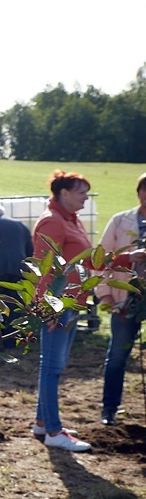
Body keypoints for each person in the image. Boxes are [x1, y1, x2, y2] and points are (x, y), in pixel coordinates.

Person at [30, 170, 94, 451]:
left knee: (55, 365)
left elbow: (90, 259)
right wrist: (49, 307)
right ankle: (54, 432)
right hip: (59, 306)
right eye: (81, 192)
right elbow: (43, 268)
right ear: (64, 193)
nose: (86, 198)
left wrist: (128, 259)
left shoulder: (72, 220)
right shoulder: (52, 222)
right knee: (52, 367)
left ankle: (42, 423)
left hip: (72, 303)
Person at [94, 172, 146, 426]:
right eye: (144, 190)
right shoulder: (120, 221)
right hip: (125, 300)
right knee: (117, 356)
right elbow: (101, 259)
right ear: (138, 193)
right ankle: (109, 409)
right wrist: (106, 296)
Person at [0, 204, 34, 345]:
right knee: (15, 305)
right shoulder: (20, 225)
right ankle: (12, 340)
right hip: (18, 269)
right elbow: (29, 250)